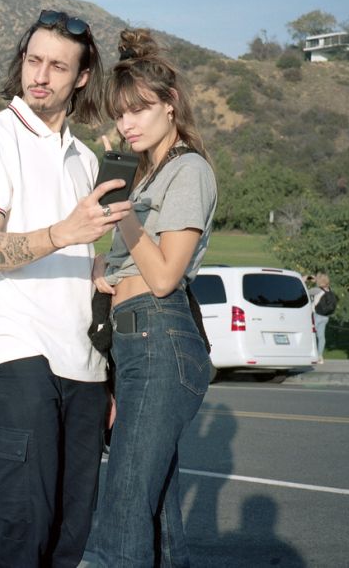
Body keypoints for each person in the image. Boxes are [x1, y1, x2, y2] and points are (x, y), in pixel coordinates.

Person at [0, 9, 133, 567]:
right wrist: (66, 232)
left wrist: (108, 274)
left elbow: (82, 265)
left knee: (70, 535)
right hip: (19, 357)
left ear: (81, 78)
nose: (41, 74)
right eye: (34, 60)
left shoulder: (86, 159)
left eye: (58, 66)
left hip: (83, 370)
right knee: (22, 533)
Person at [84, 28, 217, 567]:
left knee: (123, 502)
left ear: (171, 105)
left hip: (162, 335)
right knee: (154, 506)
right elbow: (136, 266)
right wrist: (103, 269)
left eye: (140, 109)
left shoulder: (189, 170)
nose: (127, 123)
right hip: (137, 342)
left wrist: (126, 216)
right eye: (120, 113)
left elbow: (164, 277)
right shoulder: (147, 177)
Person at [309, 271, 334, 363]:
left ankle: (312, 355)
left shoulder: (317, 290)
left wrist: (308, 281)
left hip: (317, 315)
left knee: (311, 335)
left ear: (319, 281)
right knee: (321, 337)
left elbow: (305, 292)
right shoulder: (329, 289)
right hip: (325, 317)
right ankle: (320, 356)